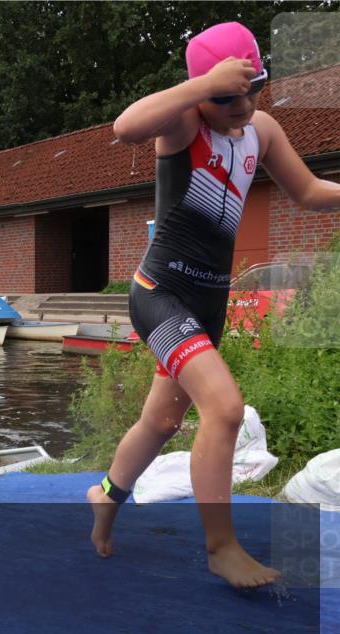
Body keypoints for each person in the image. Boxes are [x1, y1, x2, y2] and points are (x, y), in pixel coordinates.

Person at [90, 21, 340, 589]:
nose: (241, 105)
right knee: (224, 409)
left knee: (161, 420)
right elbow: (126, 126)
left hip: (208, 302)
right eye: (226, 96)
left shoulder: (263, 130)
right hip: (160, 295)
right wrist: (202, 87)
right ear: (203, 90)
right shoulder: (182, 123)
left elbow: (306, 191)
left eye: (251, 89)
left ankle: (106, 496)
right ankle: (221, 548)